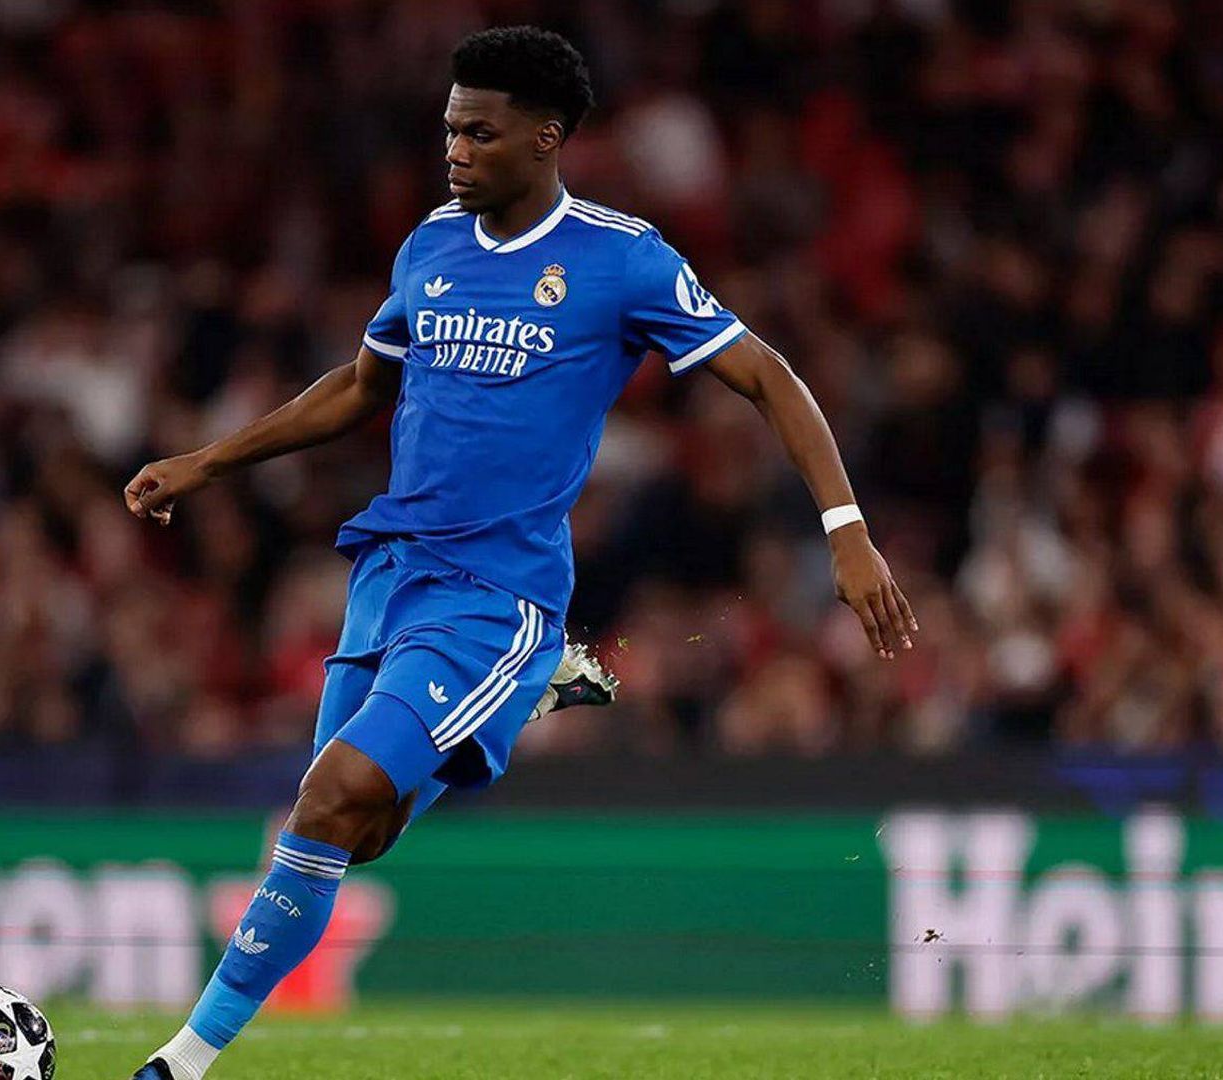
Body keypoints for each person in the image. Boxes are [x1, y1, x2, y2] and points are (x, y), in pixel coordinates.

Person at [119, 26, 915, 1079]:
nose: (454, 148)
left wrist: (847, 534)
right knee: (358, 831)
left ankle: (175, 1065)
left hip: (495, 594)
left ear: (546, 138)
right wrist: (209, 462)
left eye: (478, 132)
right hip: (388, 579)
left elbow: (769, 376)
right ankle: (526, 699)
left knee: (324, 799)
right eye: (449, 127)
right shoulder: (431, 247)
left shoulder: (621, 258)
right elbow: (363, 386)